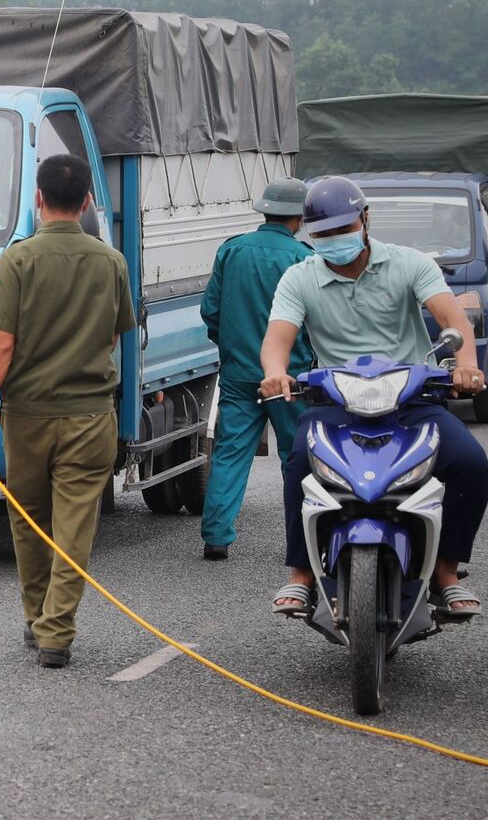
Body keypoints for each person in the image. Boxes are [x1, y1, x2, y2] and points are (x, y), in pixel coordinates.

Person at [261, 176, 488, 619]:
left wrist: (465, 363)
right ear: (310, 233)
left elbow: (451, 316)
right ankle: (301, 573)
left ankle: (445, 571)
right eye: (322, 234)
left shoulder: (411, 264)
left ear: (365, 220)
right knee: (297, 464)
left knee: (472, 464)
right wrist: (275, 374)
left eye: (342, 230)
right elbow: (278, 339)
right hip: (335, 404)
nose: (334, 240)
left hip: (412, 400)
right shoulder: (298, 278)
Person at [0, 154, 136, 668]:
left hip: (27, 416)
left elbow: (0, 345)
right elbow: (119, 331)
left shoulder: (17, 259)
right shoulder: (112, 262)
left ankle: (38, 619)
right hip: (89, 415)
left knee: (28, 519)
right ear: (86, 203)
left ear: (38, 199)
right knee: (75, 524)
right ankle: (57, 631)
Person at [197, 178, 313, 561]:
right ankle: (303, 540)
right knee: (297, 457)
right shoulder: (303, 258)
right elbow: (316, 321)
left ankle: (216, 537)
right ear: (299, 216)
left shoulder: (231, 250)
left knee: (230, 452)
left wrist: (231, 346)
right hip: (290, 376)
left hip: (238, 373)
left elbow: (210, 310)